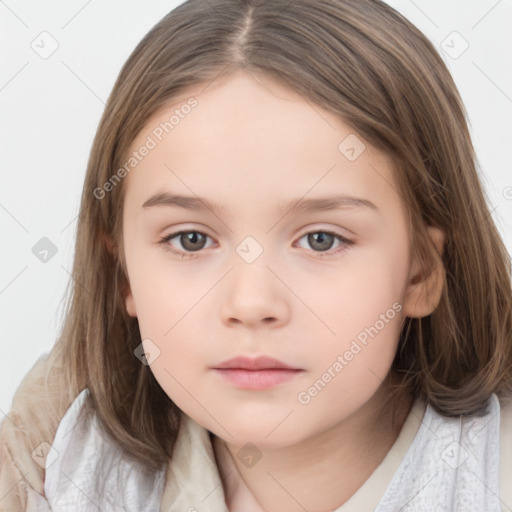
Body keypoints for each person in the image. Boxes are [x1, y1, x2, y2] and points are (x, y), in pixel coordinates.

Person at [1, 0, 511, 510]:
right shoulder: (54, 466)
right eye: (191, 239)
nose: (250, 303)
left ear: (420, 271)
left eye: (321, 239)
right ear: (123, 274)